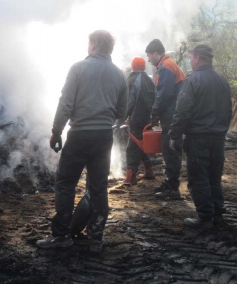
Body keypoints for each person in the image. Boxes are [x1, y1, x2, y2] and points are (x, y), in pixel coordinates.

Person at [36, 30, 128, 252]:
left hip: (79, 135)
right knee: (98, 187)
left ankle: (61, 236)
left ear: (94, 44)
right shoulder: (119, 75)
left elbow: (66, 103)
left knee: (66, 183)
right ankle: (96, 237)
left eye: (89, 43)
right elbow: (122, 110)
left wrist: (56, 130)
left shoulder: (78, 68)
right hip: (104, 137)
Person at [168, 44, 232, 229]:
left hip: (198, 138)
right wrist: (222, 130)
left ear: (197, 58)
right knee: (214, 176)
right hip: (218, 138)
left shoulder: (193, 80)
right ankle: (217, 214)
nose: (189, 60)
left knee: (199, 178)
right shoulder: (222, 80)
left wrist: (174, 135)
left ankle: (204, 218)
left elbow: (182, 111)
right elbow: (228, 110)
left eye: (190, 57)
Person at [145, 39, 185, 199]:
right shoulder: (166, 65)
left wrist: (154, 115)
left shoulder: (166, 67)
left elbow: (164, 94)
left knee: (171, 149)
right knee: (169, 149)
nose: (148, 59)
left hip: (172, 116)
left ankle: (173, 187)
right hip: (172, 114)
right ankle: (170, 182)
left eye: (149, 55)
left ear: (156, 53)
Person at [122, 56, 156, 185]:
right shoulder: (149, 80)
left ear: (133, 67)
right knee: (141, 145)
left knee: (132, 148)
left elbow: (129, 102)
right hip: (148, 119)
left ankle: (130, 178)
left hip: (137, 119)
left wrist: (122, 117)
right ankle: (149, 171)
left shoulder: (131, 80)